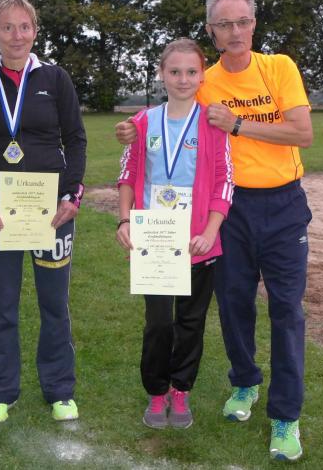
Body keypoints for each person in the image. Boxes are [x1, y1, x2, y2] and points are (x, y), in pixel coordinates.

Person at [116, 0, 313, 461]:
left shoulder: (279, 67)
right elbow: (167, 112)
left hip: (283, 204)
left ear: (254, 24)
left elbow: (303, 133)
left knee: (287, 311)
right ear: (212, 31)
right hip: (229, 211)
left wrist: (239, 125)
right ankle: (244, 382)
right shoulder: (206, 81)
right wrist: (130, 129)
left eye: (242, 21)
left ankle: (286, 415)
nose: (235, 31)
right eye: (224, 24)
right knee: (233, 306)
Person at [0, 0, 87, 424]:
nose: (16, 35)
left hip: (52, 213)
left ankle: (60, 390)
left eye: (24, 26)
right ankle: (0, 392)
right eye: (7, 27)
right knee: (3, 304)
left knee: (55, 303)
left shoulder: (56, 79)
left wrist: (71, 195)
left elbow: (76, 139)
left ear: (35, 31)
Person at [115, 39, 233, 429]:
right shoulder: (143, 122)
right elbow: (128, 175)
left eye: (191, 72)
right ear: (161, 74)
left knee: (190, 322)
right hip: (155, 244)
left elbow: (224, 182)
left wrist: (210, 231)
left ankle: (180, 390)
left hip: (197, 243)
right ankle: (156, 391)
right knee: (159, 323)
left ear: (202, 76)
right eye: (175, 71)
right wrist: (125, 221)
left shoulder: (213, 123)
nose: (183, 79)